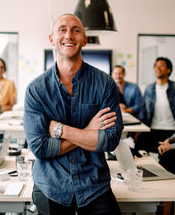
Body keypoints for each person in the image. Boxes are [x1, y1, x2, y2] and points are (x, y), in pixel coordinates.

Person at [23, 14, 123, 215]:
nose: (69, 35)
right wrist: (88, 132)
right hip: (51, 186)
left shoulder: (104, 84)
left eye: (76, 30)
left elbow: (109, 140)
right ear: (52, 39)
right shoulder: (36, 89)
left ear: (85, 40)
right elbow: (41, 148)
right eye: (62, 29)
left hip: (95, 185)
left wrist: (61, 130)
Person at [136, 57, 175, 153]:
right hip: (153, 129)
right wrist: (140, 129)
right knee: (138, 149)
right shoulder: (149, 89)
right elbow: (144, 111)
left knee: (167, 159)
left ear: (168, 70)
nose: (157, 68)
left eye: (161, 66)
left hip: (172, 130)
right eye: (156, 66)